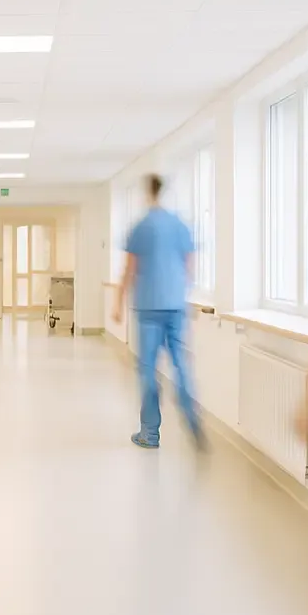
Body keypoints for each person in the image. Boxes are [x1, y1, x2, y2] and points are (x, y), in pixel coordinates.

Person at [112, 173, 206, 452]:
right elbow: (190, 266)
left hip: (149, 307)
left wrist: (117, 302)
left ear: (147, 193)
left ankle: (149, 433)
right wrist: (180, 292)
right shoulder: (180, 225)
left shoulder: (141, 226)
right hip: (176, 305)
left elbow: (129, 269)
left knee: (147, 369)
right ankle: (191, 417)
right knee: (181, 364)